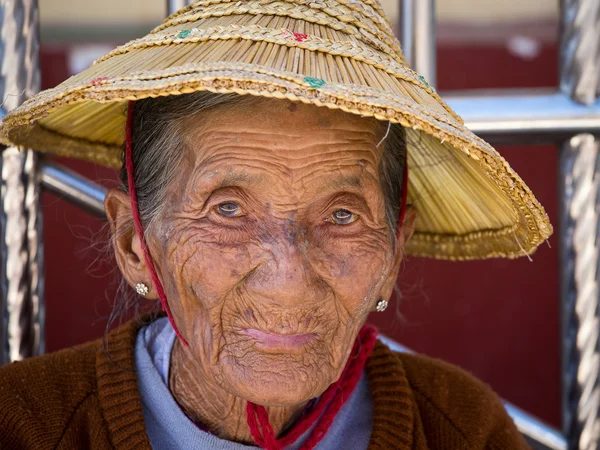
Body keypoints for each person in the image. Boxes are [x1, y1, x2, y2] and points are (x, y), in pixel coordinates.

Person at [0, 1, 551, 448]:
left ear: (394, 254)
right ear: (134, 245)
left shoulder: (462, 430)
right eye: (228, 210)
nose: (288, 279)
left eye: (341, 215)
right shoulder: (26, 424)